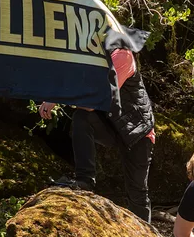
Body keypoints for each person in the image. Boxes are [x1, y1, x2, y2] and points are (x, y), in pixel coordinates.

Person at [39, 47, 155, 223]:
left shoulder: (123, 55)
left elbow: (95, 101)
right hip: (112, 126)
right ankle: (84, 180)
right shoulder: (92, 56)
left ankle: (146, 235)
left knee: (137, 191)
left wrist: (57, 99)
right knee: (81, 117)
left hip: (137, 132)